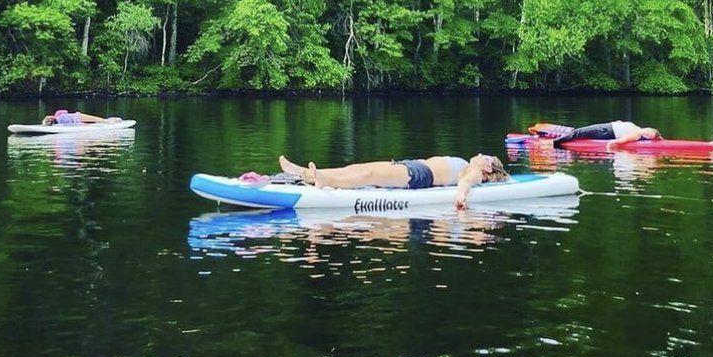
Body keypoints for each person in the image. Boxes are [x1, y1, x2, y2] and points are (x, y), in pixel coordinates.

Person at [278, 152, 509, 210]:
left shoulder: (476, 172)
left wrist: (460, 196)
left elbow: (466, 182)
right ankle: (305, 173)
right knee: (358, 168)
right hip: (412, 167)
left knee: (369, 176)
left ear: (488, 166)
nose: (480, 154)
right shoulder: (470, 165)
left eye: (484, 156)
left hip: (420, 175)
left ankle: (326, 181)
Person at [533, 120, 661, 148]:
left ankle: (551, 143)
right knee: (578, 132)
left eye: (649, 135)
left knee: (577, 133)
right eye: (649, 130)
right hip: (607, 130)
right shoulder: (639, 129)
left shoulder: (637, 133)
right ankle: (555, 137)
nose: (648, 133)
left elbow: (626, 138)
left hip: (605, 130)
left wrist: (614, 143)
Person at [40, 109, 123, 126]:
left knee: (97, 122)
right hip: (78, 117)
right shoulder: (58, 114)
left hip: (77, 120)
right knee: (101, 121)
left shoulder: (59, 122)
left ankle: (112, 120)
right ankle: (113, 120)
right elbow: (65, 111)